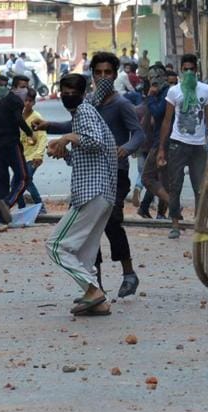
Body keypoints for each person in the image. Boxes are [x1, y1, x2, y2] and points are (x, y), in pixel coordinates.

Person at [35, 51, 145, 298]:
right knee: (90, 229)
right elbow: (75, 128)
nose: (103, 77)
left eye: (108, 73)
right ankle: (95, 285)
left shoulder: (121, 104)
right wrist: (50, 127)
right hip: (91, 171)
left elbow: (138, 134)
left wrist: (124, 149)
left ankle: (127, 272)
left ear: (115, 75)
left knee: (112, 221)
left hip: (116, 170)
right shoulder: (90, 104)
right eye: (99, 72)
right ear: (92, 75)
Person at [45, 73, 117, 317]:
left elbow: (94, 141)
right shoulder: (81, 114)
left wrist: (66, 137)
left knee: (56, 246)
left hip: (91, 192)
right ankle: (98, 302)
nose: (67, 95)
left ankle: (93, 291)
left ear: (83, 92)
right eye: (64, 90)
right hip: (100, 192)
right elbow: (83, 155)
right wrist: (63, 151)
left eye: (72, 91)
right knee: (85, 253)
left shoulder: (84, 112)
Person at [157, 53, 208, 239]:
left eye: (192, 69)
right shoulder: (174, 92)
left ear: (196, 70)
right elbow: (167, 121)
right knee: (175, 185)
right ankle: (175, 224)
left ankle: (198, 225)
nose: (189, 72)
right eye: (186, 69)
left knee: (200, 187)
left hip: (198, 145)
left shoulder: (205, 90)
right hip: (177, 143)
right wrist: (161, 148)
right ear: (181, 71)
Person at [0, 74, 35, 224]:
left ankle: (2, 218)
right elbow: (19, 119)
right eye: (22, 87)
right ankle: (9, 202)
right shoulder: (16, 101)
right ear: (14, 87)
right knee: (24, 177)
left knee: (2, 181)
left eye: (26, 87)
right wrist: (30, 133)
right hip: (11, 143)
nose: (25, 90)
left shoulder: (0, 103)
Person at [139, 64, 171, 219]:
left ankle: (172, 204)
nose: (152, 82)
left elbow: (158, 112)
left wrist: (150, 96)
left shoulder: (166, 94)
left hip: (162, 142)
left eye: (154, 78)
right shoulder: (163, 93)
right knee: (162, 178)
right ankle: (164, 210)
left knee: (147, 177)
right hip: (158, 140)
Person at [17, 88, 47, 214]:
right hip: (20, 155)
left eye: (30, 101)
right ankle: (21, 208)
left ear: (34, 102)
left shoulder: (36, 118)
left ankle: (41, 207)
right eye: (26, 100)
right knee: (18, 183)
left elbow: (42, 137)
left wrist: (39, 155)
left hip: (33, 155)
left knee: (26, 180)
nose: (27, 103)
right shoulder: (18, 116)